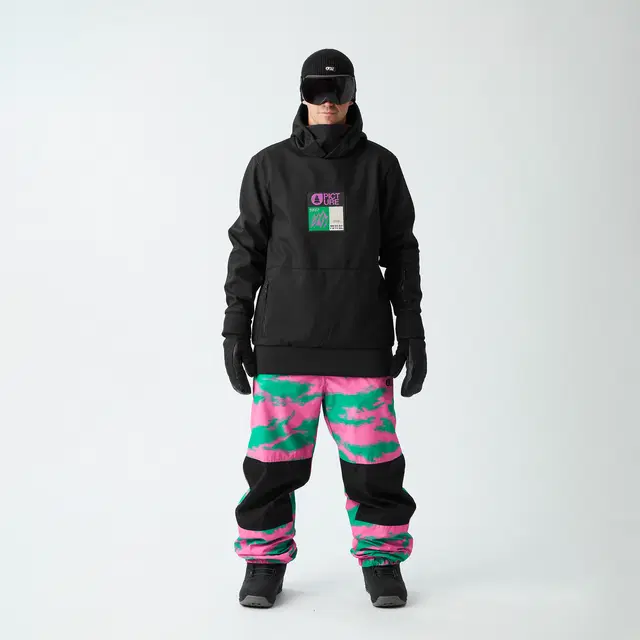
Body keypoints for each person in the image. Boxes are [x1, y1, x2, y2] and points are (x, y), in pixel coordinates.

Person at [222, 48, 427, 609]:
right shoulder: (269, 166)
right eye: (317, 90)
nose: (328, 102)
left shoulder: (380, 166)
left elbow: (401, 251)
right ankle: (264, 561)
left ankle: (382, 560)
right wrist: (235, 328)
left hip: (360, 342)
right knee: (271, 468)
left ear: (354, 95)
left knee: (375, 468)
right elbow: (247, 250)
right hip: (285, 342)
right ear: (302, 94)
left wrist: (411, 329)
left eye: (338, 90)